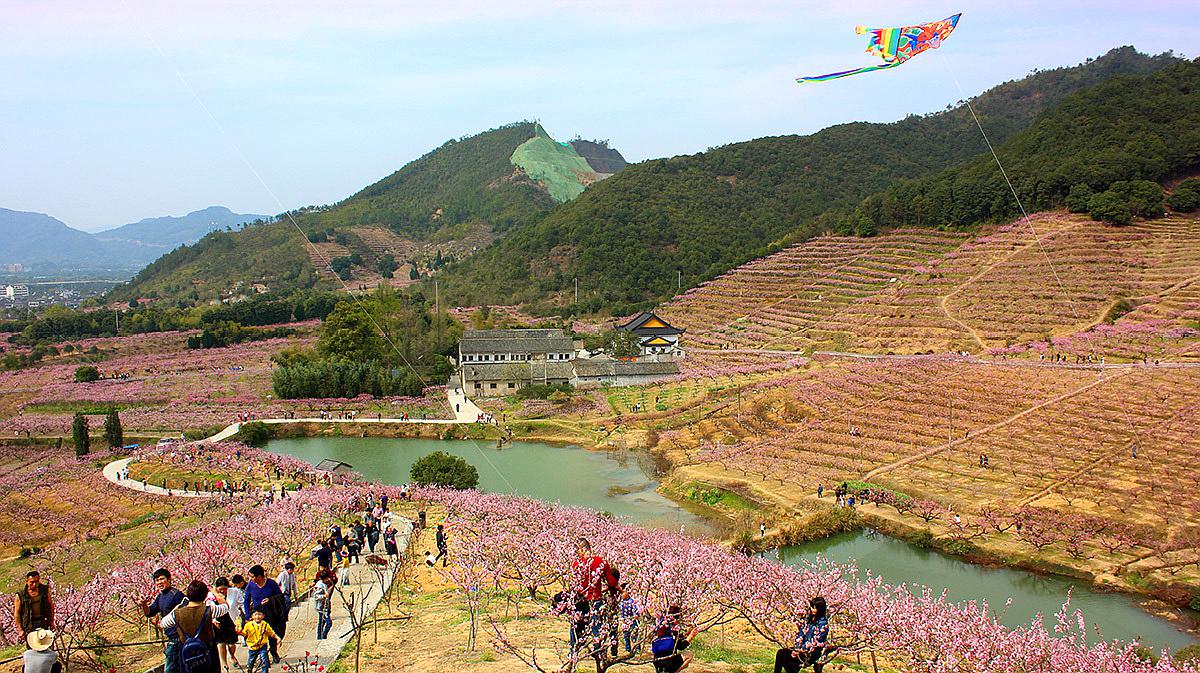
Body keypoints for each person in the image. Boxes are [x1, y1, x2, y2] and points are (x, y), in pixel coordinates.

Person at [160, 580, 226, 673]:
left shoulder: (177, 614)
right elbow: (225, 607)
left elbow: (163, 623)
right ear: (205, 595)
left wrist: (176, 608)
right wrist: (215, 593)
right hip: (208, 650)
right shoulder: (210, 610)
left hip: (187, 652)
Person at [571, 538, 619, 654]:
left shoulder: (576, 565)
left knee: (576, 627)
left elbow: (575, 584)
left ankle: (573, 651)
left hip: (580, 600)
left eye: (578, 550)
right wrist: (621, 590)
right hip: (595, 599)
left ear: (582, 549)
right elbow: (612, 582)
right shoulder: (601, 562)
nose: (578, 553)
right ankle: (598, 653)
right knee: (597, 628)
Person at [142, 568, 185, 673]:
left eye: (161, 579)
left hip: (179, 638)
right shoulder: (160, 597)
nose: (159, 582)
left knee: (170, 669)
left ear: (169, 579)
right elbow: (150, 612)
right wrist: (143, 604)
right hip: (171, 638)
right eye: (157, 580)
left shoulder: (177, 595)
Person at [773, 596, 830, 673]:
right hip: (801, 649)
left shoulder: (823, 625)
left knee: (788, 661)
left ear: (820, 609)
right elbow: (801, 634)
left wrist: (801, 651)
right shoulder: (809, 620)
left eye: (815, 608)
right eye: (812, 607)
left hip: (811, 653)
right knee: (781, 653)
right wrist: (797, 649)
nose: (812, 610)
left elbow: (815, 642)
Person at [242, 566, 285, 664]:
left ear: (259, 576)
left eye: (253, 577)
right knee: (259, 634)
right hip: (257, 614)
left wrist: (270, 600)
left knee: (271, 633)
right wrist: (248, 614)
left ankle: (274, 651)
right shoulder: (251, 585)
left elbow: (279, 596)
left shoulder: (271, 583)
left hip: (271, 613)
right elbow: (246, 600)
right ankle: (263, 656)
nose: (251, 579)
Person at [651, 605, 697, 673]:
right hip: (669, 662)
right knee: (689, 654)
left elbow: (676, 639)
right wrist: (691, 636)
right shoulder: (673, 632)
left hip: (657, 662)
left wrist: (688, 633)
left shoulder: (661, 627)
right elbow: (681, 646)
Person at [14, 571, 54, 639]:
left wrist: (51, 621)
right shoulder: (21, 595)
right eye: (32, 582)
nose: (34, 584)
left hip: (43, 621)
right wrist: (20, 629)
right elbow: (17, 613)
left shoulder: (44, 590)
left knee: (46, 642)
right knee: (32, 644)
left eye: (37, 581)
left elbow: (51, 605)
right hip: (29, 623)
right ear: (27, 581)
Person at [212, 578, 240, 673]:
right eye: (221, 589)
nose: (223, 591)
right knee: (221, 643)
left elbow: (241, 602)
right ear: (216, 588)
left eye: (225, 589)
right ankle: (224, 663)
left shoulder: (234, 592)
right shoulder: (211, 596)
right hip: (218, 622)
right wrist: (213, 619)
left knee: (232, 643)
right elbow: (209, 608)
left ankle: (232, 655)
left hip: (230, 620)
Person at [618, 586, 640, 654]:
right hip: (625, 620)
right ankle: (628, 649)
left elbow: (635, 610)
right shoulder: (621, 602)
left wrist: (636, 615)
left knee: (635, 635)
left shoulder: (632, 601)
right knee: (626, 636)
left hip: (632, 620)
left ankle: (637, 649)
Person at [312, 574, 333, 641]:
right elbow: (316, 596)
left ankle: (319, 637)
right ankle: (323, 636)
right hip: (322, 607)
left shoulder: (323, 584)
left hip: (325, 606)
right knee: (328, 623)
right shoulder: (319, 586)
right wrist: (323, 596)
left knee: (321, 622)